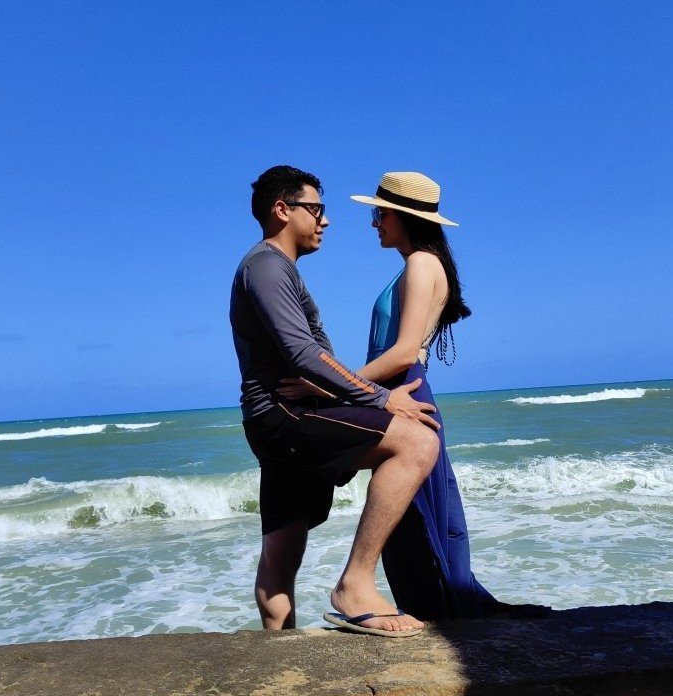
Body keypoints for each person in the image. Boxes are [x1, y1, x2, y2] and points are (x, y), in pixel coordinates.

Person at [284, 171, 550, 620]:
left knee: (416, 525)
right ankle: (425, 615)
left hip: (401, 392)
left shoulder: (421, 264)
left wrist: (330, 384)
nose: (374, 222)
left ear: (405, 217)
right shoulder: (421, 263)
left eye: (380, 213)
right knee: (412, 523)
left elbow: (404, 352)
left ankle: (429, 619)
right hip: (397, 392)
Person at [229, 165, 443, 637]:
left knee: (281, 553)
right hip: (286, 416)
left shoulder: (277, 269)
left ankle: (278, 656)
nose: (324, 220)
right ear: (282, 210)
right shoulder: (266, 266)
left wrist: (352, 393)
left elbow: (308, 358)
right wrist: (381, 398)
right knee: (417, 443)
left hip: (277, 417)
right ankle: (355, 584)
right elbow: (305, 356)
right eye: (315, 209)